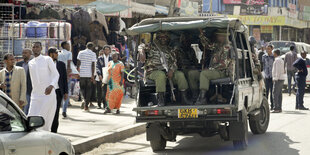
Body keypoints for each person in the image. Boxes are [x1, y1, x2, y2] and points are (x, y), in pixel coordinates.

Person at [142, 31, 190, 106]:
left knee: (180, 75)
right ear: (157, 38)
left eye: (165, 37)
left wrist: (172, 70)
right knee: (161, 75)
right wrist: (141, 52)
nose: (163, 39)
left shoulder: (170, 50)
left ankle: (184, 98)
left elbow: (174, 62)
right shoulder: (151, 47)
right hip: (153, 71)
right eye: (161, 37)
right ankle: (161, 99)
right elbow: (141, 47)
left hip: (167, 71)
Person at [28, 42, 59, 131]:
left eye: (37, 47)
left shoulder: (47, 59)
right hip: (35, 95)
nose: (35, 49)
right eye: (33, 47)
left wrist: (51, 86)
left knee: (44, 120)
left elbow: (56, 74)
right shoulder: (31, 63)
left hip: (47, 95)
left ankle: (44, 140)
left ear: (41, 48)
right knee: (31, 117)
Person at [195, 29, 233, 105]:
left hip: (222, 72)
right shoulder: (218, 45)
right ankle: (195, 96)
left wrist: (210, 69)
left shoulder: (226, 47)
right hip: (215, 70)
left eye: (218, 35)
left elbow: (223, 64)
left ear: (223, 37)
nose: (217, 37)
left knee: (204, 74)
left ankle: (202, 98)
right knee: (193, 74)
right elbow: (207, 45)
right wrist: (202, 35)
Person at [175, 32, 199, 101]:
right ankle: (185, 98)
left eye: (188, 40)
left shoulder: (191, 51)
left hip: (191, 69)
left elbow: (195, 62)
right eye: (184, 40)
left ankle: (195, 95)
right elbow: (175, 63)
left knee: (192, 73)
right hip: (180, 69)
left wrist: (194, 66)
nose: (186, 42)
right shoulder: (177, 50)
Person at [48, 47, 68, 133]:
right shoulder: (45, 64)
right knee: (47, 112)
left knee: (56, 112)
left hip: (58, 91)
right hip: (47, 91)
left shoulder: (61, 64)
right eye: (56, 53)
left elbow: (64, 79)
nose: (57, 54)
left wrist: (66, 92)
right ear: (51, 54)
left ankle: (54, 131)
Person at [77, 42, 97, 112]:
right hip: (89, 75)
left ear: (86, 46)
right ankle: (86, 105)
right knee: (89, 90)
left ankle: (83, 100)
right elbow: (93, 65)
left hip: (82, 73)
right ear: (92, 47)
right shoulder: (93, 54)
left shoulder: (81, 52)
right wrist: (92, 75)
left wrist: (77, 72)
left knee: (82, 88)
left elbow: (78, 63)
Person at [58, 41, 72, 117]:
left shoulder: (58, 53)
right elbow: (69, 65)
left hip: (58, 74)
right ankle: (64, 110)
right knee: (66, 92)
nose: (69, 46)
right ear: (65, 45)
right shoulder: (69, 53)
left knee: (59, 91)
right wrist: (67, 76)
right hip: (65, 74)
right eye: (68, 45)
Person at [16, 48, 33, 115]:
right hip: (19, 89)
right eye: (23, 53)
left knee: (26, 108)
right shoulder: (19, 64)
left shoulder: (33, 64)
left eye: (26, 53)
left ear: (30, 54)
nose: (24, 54)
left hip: (29, 89)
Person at [262, 44, 275, 110]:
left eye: (269, 49)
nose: (268, 50)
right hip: (266, 76)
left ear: (272, 49)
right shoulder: (264, 56)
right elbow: (263, 65)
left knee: (272, 92)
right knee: (266, 92)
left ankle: (273, 105)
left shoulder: (274, 57)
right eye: (267, 49)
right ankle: (266, 106)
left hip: (272, 77)